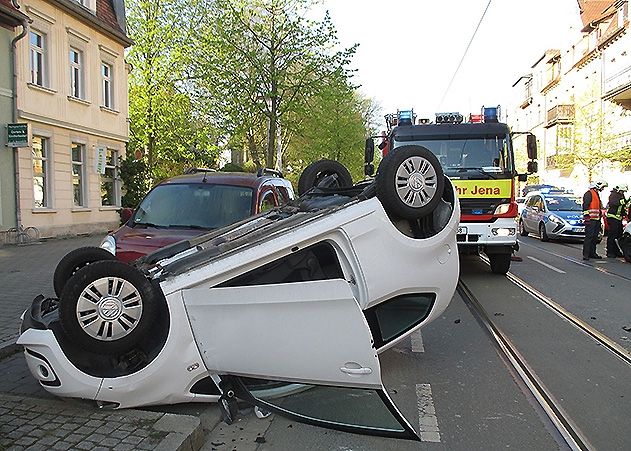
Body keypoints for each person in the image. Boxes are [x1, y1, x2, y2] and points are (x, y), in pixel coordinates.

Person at [582, 179, 608, 261]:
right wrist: (587, 217)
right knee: (589, 237)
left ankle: (592, 253)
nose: (602, 189)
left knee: (594, 237)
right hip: (591, 220)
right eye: (602, 187)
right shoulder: (589, 193)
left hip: (596, 219)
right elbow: (585, 206)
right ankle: (586, 254)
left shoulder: (596, 193)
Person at [606, 183, 628, 257]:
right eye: (622, 191)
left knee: (619, 235)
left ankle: (616, 251)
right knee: (612, 235)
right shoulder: (613, 195)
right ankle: (610, 251)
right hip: (612, 217)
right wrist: (627, 200)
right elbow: (616, 203)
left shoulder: (621, 195)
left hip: (618, 218)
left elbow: (623, 205)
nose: (623, 193)